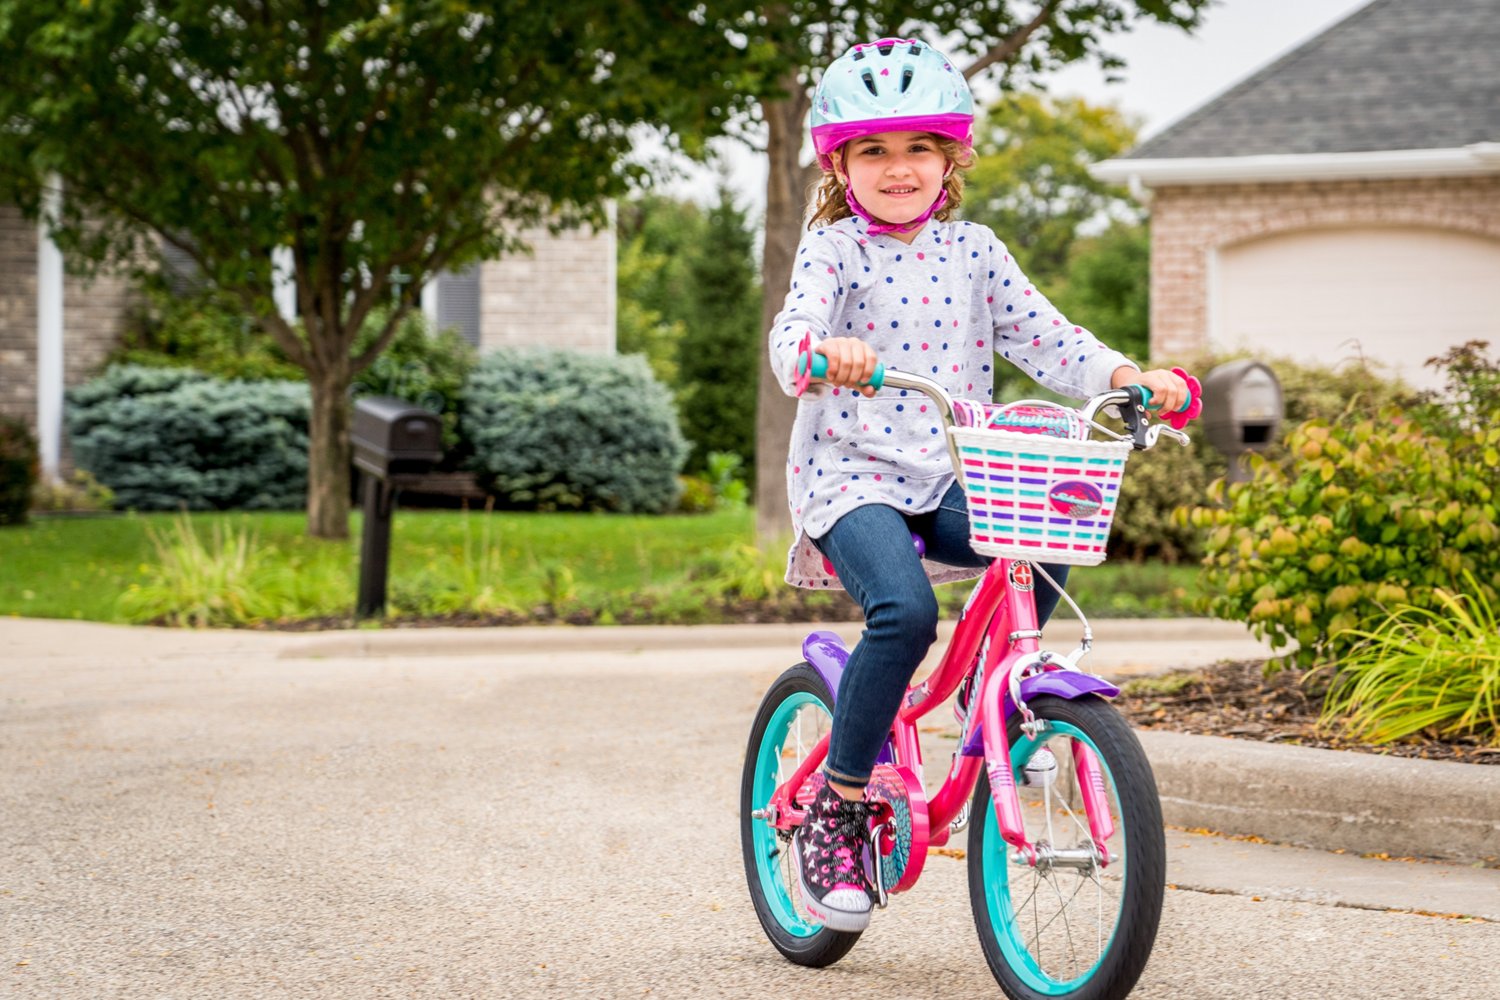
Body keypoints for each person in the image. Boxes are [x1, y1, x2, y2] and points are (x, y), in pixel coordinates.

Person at [766, 38, 1189, 933]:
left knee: (1048, 528)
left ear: (949, 158)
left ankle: (994, 696)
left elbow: (1050, 339)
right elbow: (792, 332)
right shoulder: (834, 252)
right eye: (873, 151)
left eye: (917, 147)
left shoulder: (975, 250)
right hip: (854, 475)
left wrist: (1128, 376)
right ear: (840, 165)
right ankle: (839, 809)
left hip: (953, 467)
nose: (898, 168)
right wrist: (818, 354)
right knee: (907, 614)